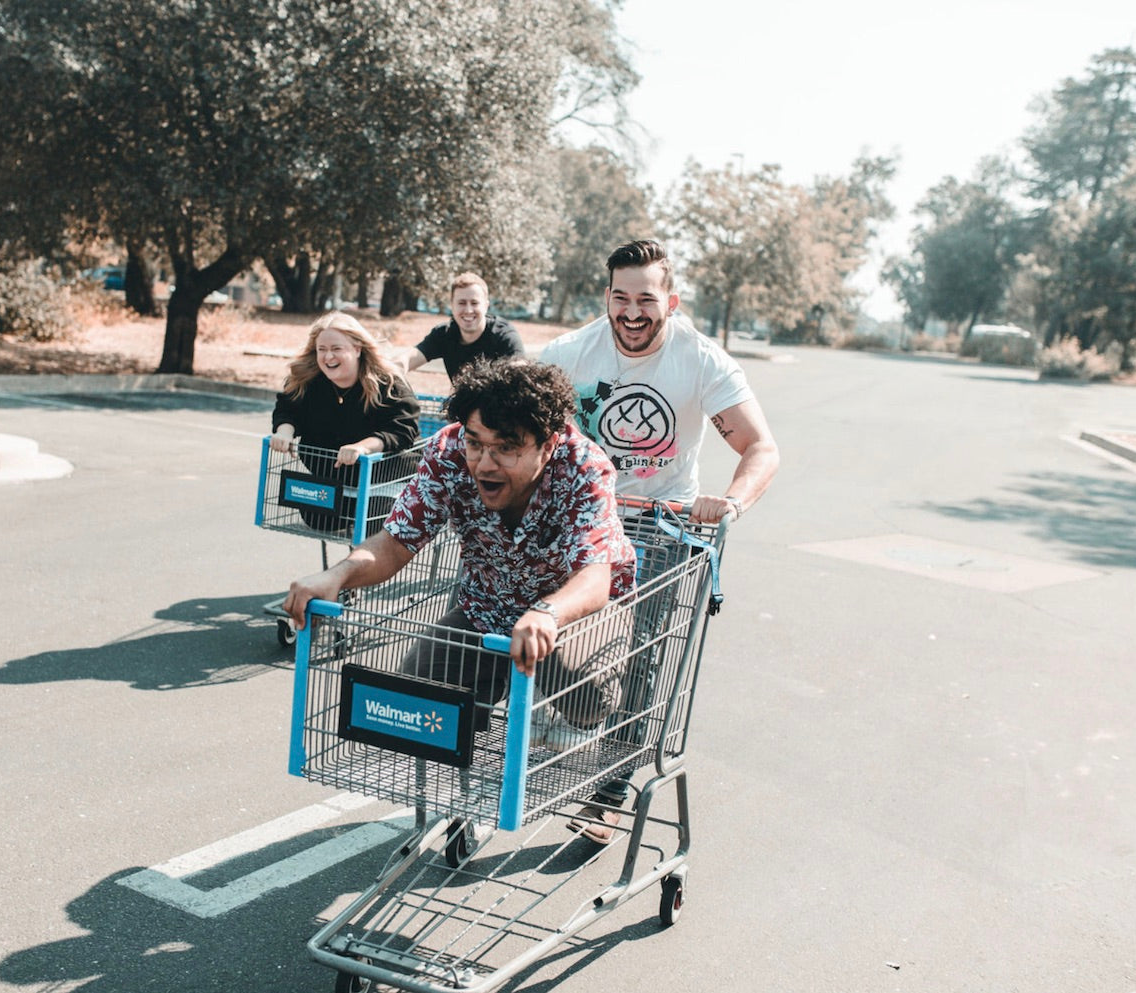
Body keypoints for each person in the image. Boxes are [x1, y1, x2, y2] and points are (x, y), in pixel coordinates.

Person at [540, 238, 781, 844]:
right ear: (607, 298)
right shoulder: (572, 352)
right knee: (541, 622)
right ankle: (567, 724)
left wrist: (728, 503)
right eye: (620, 298)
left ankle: (613, 785)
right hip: (580, 516)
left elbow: (760, 448)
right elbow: (513, 414)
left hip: (660, 522)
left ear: (669, 302)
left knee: (646, 647)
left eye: (646, 299)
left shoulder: (701, 361)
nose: (632, 312)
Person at [283, 359, 637, 745]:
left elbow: (595, 575)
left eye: (506, 448)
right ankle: (498, 694)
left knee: (586, 695)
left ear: (548, 444)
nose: (485, 463)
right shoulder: (448, 452)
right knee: (415, 697)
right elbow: (396, 541)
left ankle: (550, 695)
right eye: (476, 443)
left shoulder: (583, 466)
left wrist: (547, 614)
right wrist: (337, 576)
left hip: (573, 613)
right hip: (487, 605)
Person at [270, 311, 422, 530]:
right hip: (334, 480)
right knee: (316, 517)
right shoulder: (309, 382)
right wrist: (284, 431)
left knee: (374, 525)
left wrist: (362, 448)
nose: (328, 357)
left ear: (357, 349)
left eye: (336, 349)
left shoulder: (388, 383)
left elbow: (403, 429)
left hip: (383, 480)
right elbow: (288, 408)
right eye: (322, 350)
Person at [398, 271, 526, 381]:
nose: (468, 310)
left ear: (486, 306)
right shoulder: (444, 334)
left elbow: (521, 372)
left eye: (474, 303)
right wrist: (389, 371)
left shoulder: (504, 336)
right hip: (463, 407)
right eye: (462, 303)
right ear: (452, 306)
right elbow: (407, 360)